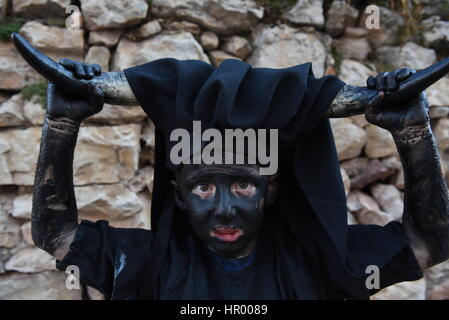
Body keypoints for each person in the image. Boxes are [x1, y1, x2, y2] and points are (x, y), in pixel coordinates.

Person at [31, 57, 449, 300]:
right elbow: (58, 236)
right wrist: (62, 124)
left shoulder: (321, 261)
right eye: (203, 187)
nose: (224, 208)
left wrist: (413, 132)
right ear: (178, 196)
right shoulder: (149, 263)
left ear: (271, 189)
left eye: (244, 184)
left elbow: (430, 242)